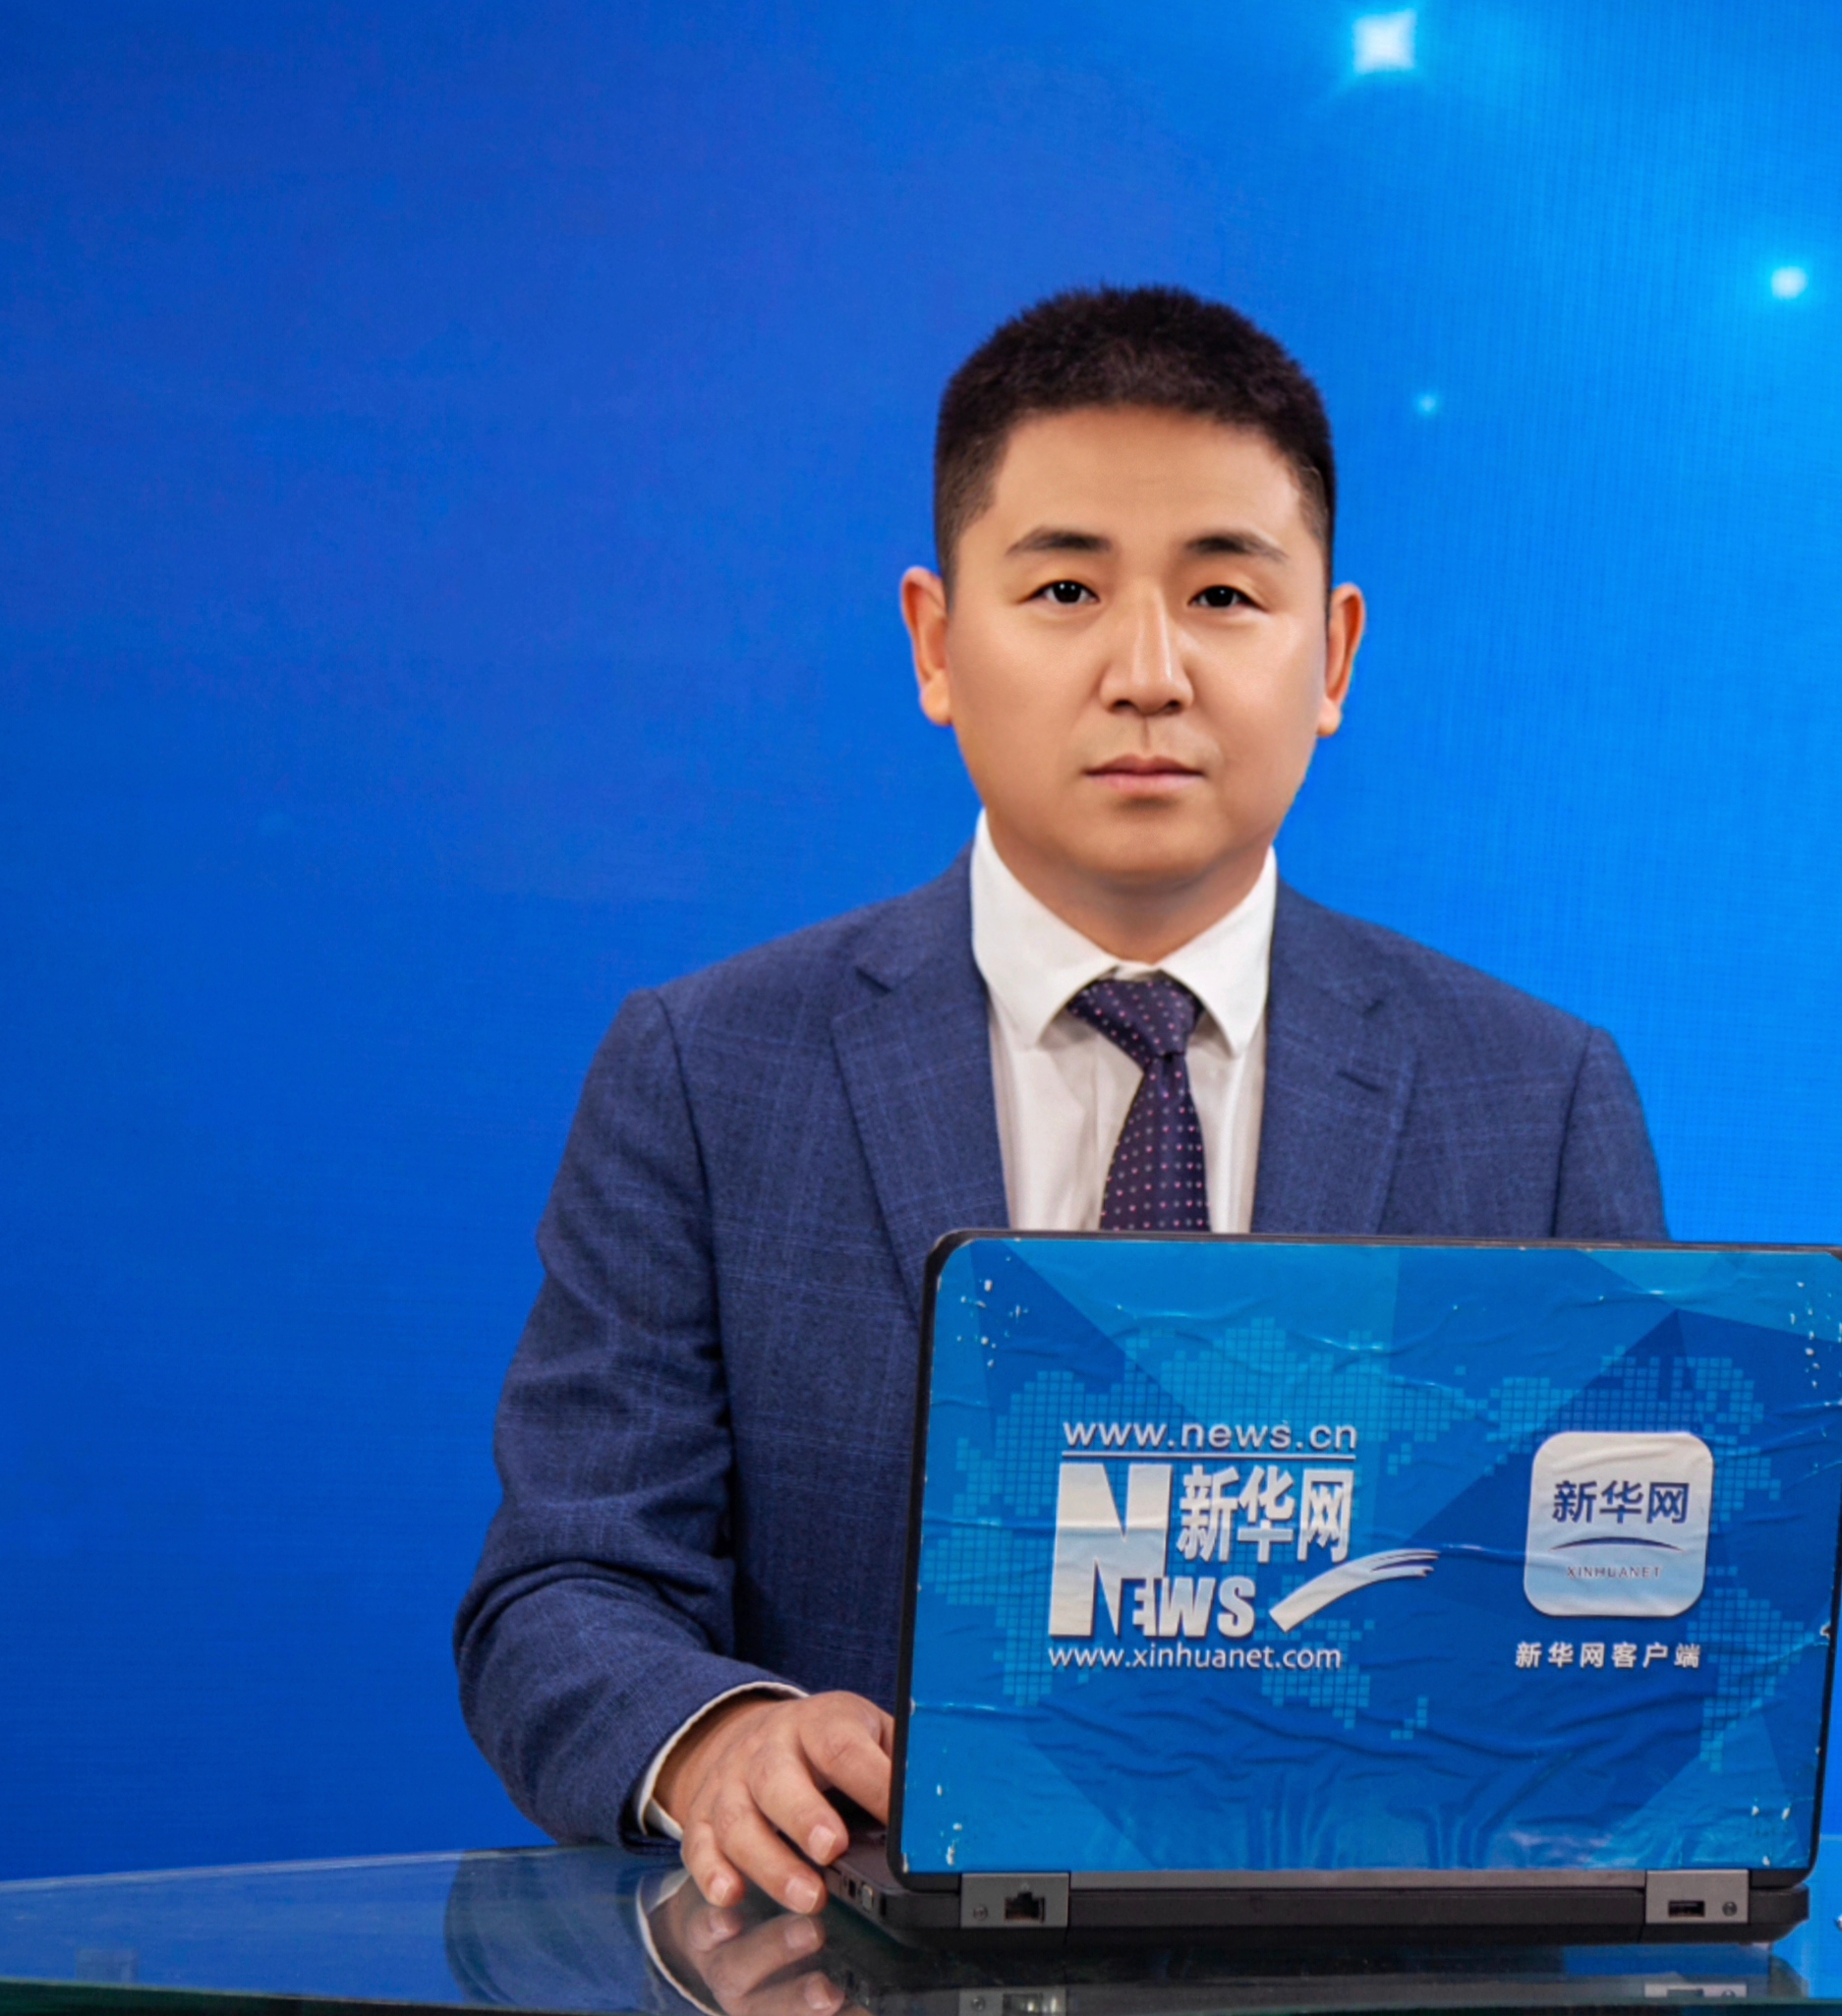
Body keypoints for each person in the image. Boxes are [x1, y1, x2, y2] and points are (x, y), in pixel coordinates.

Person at [454, 285, 1666, 1917]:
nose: (1148, 673)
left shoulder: (1536, 1096)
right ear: (938, 644)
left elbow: (1619, 1631)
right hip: (863, 1974)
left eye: (1223, 593)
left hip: (1372, 1976)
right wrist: (722, 1738)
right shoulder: (709, 1068)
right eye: (1067, 589)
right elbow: (563, 1585)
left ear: (1332, 653)